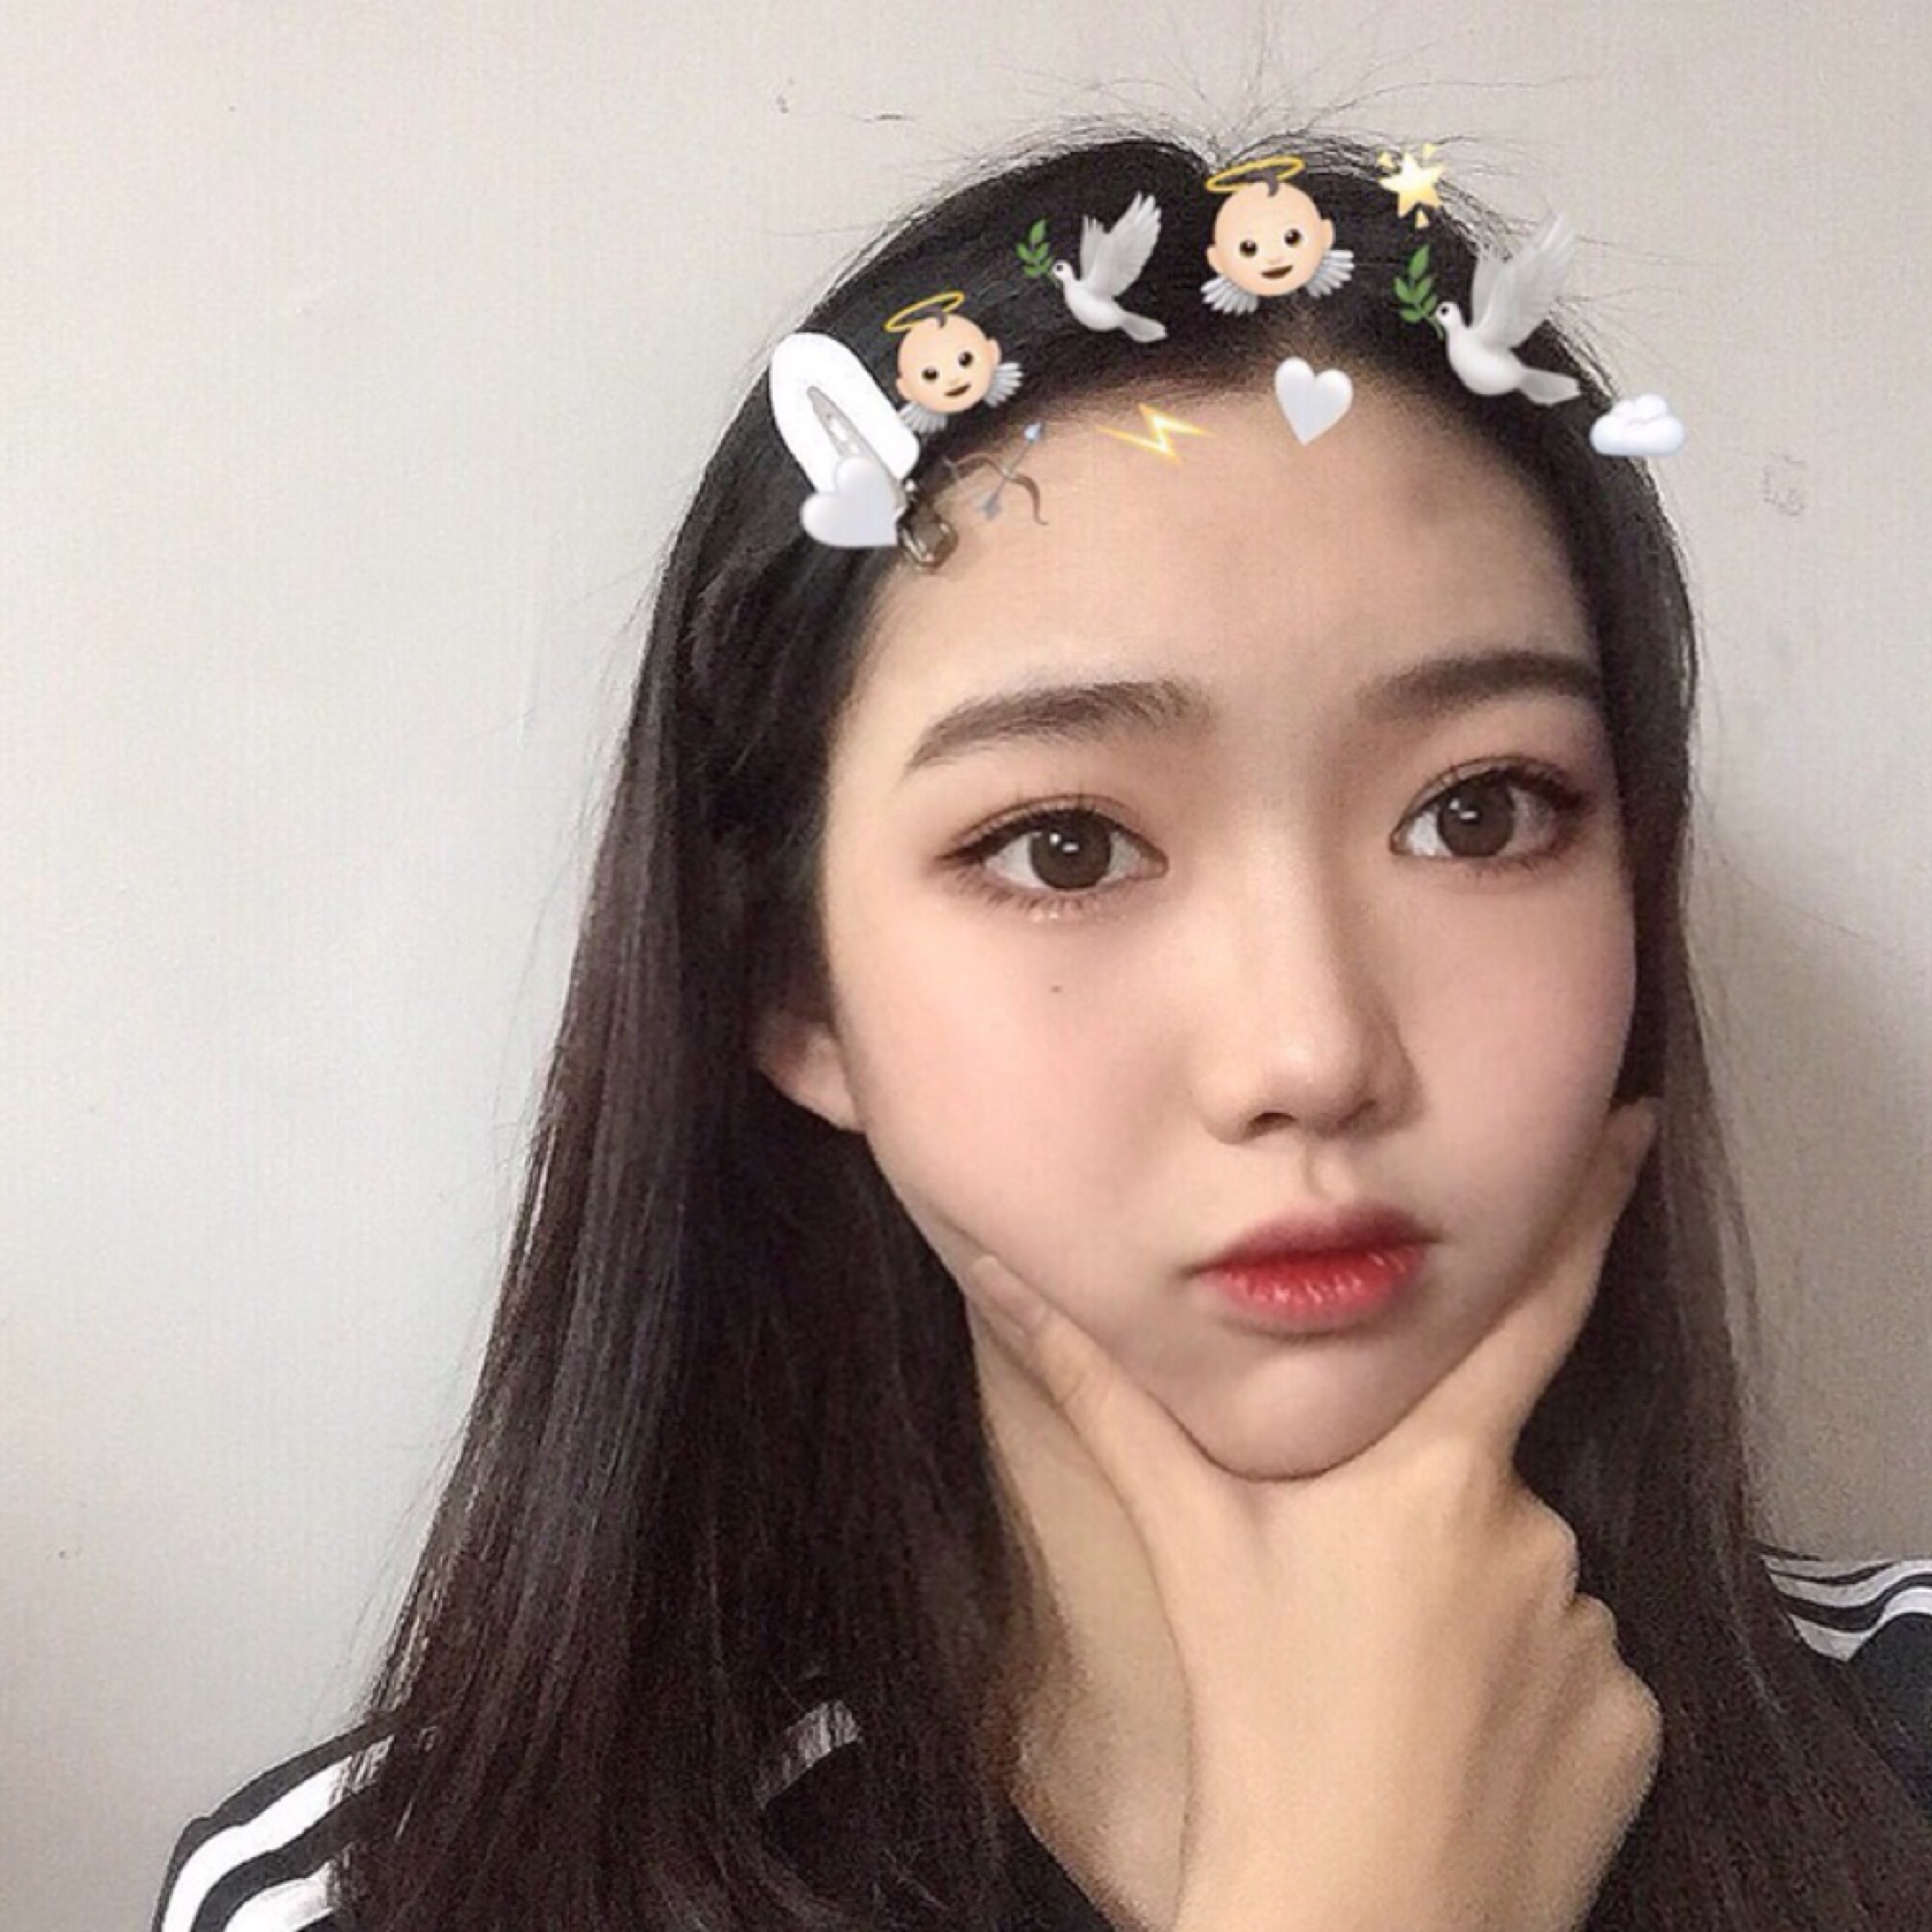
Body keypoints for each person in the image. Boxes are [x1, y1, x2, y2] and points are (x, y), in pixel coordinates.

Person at [149, 122, 1932, 1932]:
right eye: (1063, 846)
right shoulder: (373, 1896)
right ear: (789, 983)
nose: (1309, 1055)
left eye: (1479, 813)